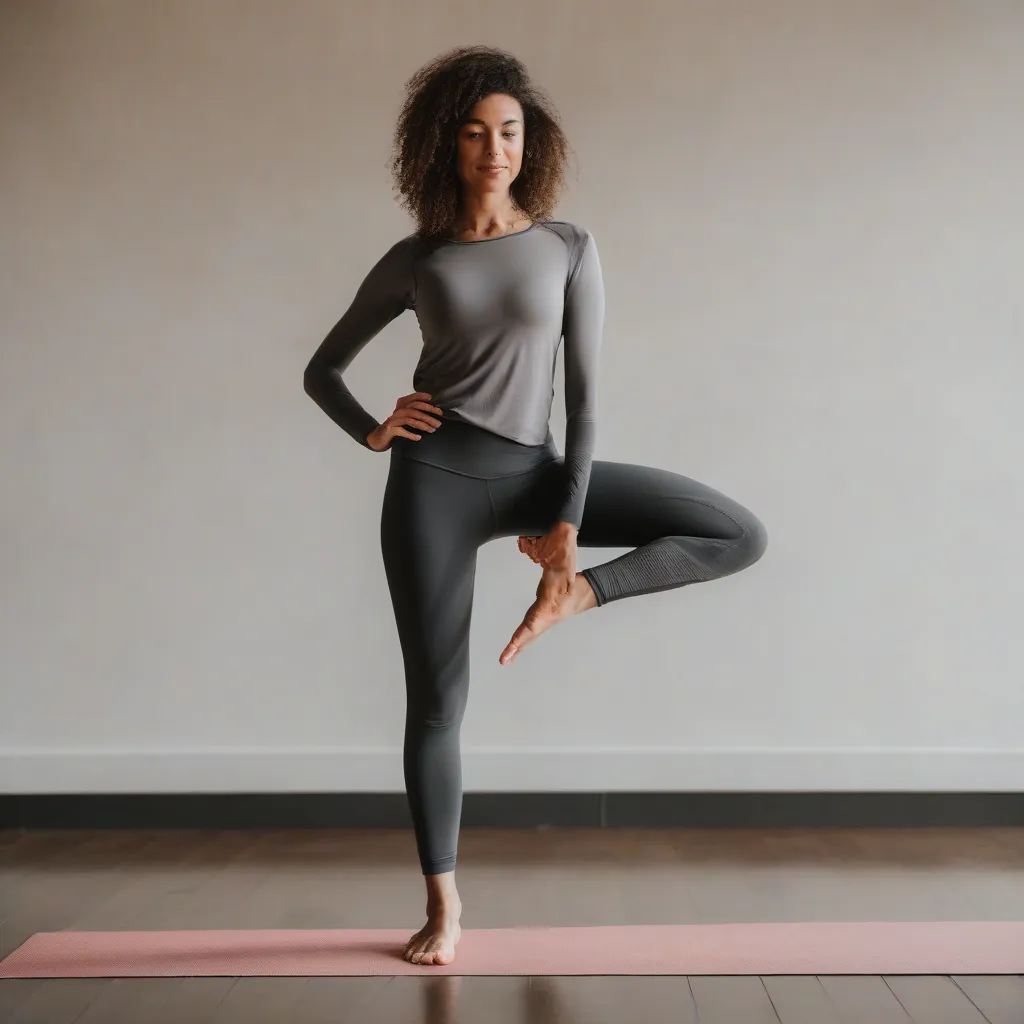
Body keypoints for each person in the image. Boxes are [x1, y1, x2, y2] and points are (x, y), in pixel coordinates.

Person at [303, 45, 767, 966]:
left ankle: (578, 599)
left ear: (531, 141)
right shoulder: (417, 259)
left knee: (735, 531)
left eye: (509, 132)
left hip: (538, 473)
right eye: (475, 133)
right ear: (446, 145)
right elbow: (321, 369)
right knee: (437, 701)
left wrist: (569, 533)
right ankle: (444, 905)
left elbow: (586, 399)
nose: (495, 150)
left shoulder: (566, 246)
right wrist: (372, 428)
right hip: (434, 481)